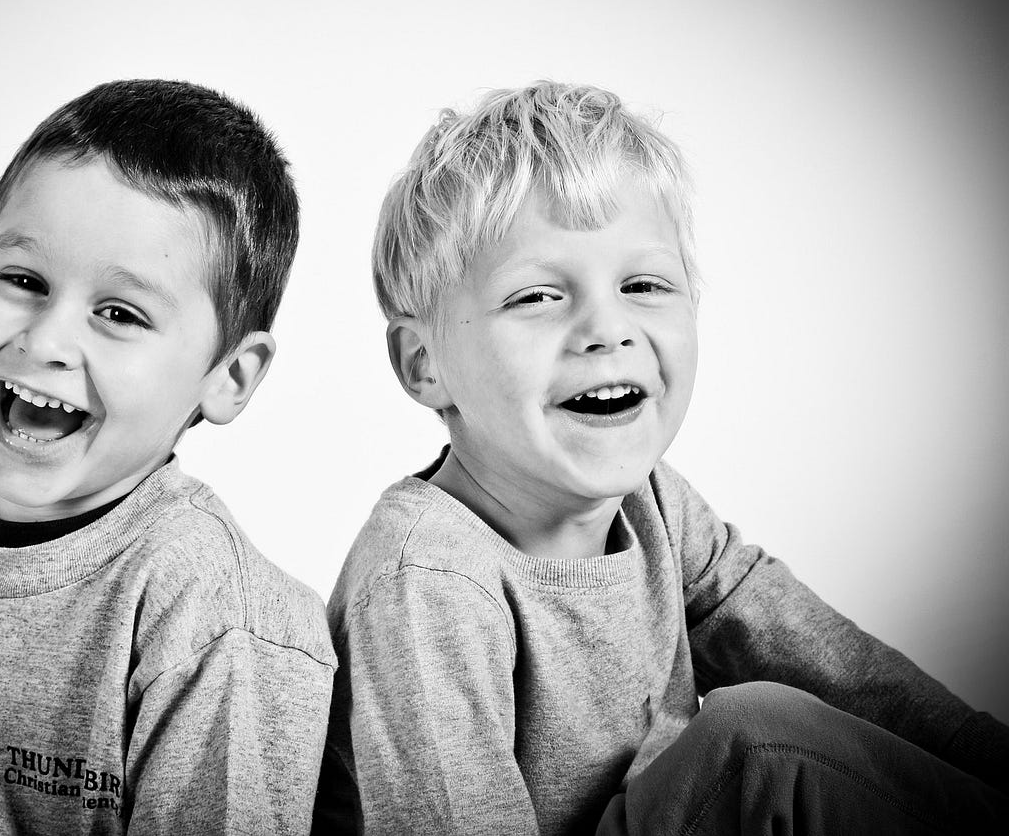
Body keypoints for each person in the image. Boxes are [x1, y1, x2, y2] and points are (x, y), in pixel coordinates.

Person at [313, 80, 1009, 835]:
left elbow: (836, 670)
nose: (607, 329)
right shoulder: (425, 584)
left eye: (643, 284)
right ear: (424, 363)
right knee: (755, 751)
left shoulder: (655, 506)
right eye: (537, 297)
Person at [0, 79, 335, 835]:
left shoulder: (214, 615)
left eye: (119, 313)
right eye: (24, 280)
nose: (46, 341)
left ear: (229, 376)